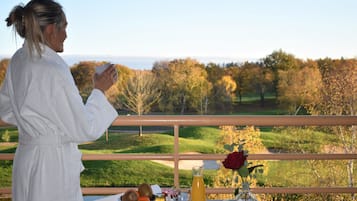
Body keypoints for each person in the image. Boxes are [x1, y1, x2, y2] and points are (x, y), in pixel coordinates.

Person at [0, 0, 118, 200]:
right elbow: (84, 129)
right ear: (51, 29)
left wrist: (35, 123)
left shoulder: (19, 59)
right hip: (50, 167)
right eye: (64, 28)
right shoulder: (52, 69)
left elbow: (6, 110)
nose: (66, 35)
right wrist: (99, 90)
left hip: (27, 158)